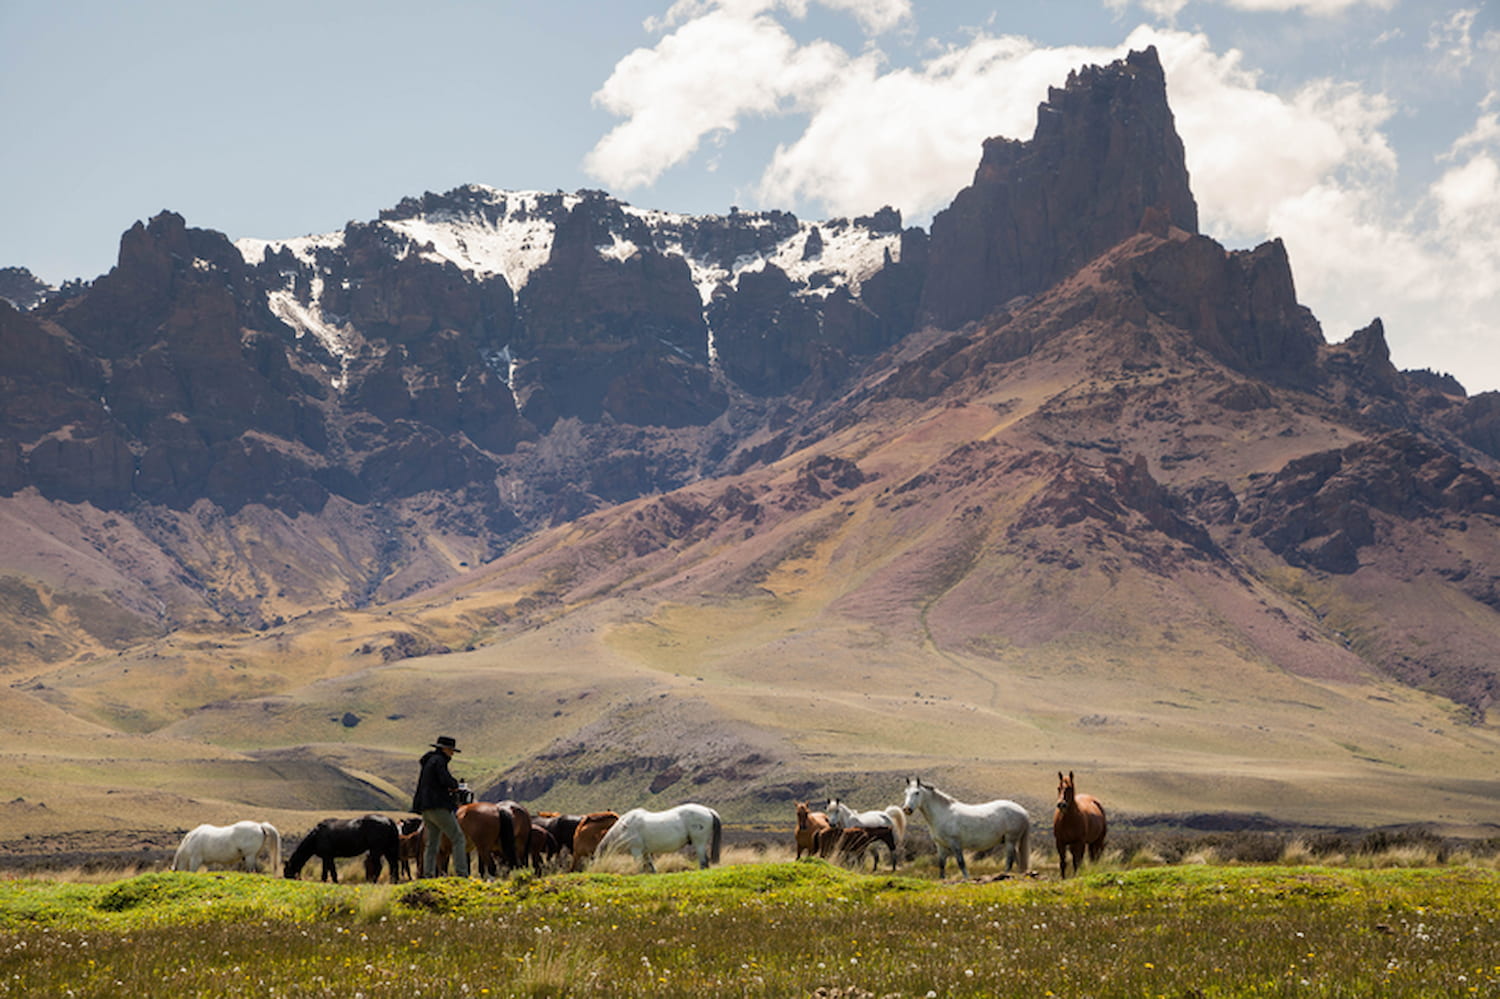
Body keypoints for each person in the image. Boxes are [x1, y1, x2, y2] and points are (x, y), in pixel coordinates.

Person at [411, 735, 471, 877]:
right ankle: (462, 873)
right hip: (439, 807)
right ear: (445, 749)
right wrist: (456, 785)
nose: (452, 754)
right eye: (451, 750)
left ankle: (428, 874)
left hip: (426, 809)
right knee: (458, 838)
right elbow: (445, 780)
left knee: (432, 843)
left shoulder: (429, 762)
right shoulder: (439, 761)